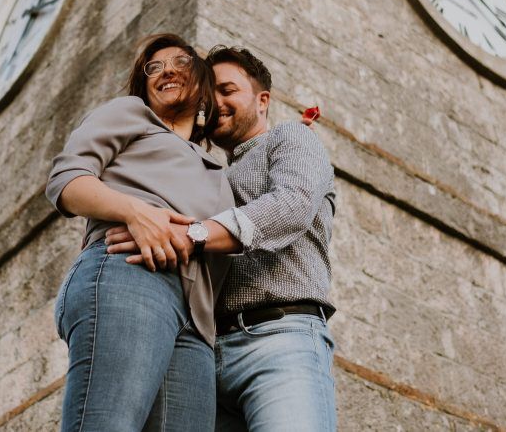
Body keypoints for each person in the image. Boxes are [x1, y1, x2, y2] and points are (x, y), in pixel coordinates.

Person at [106, 46, 337, 431]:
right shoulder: (210, 174)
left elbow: (292, 205)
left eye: (228, 90)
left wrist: (192, 234)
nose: (216, 101)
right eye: (208, 93)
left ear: (262, 100)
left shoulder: (291, 137)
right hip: (205, 354)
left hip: (280, 338)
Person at [46, 33, 235, 432]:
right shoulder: (132, 114)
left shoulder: (217, 168)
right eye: (154, 67)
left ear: (203, 86)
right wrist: (135, 212)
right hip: (129, 275)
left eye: (180, 62)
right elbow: (66, 180)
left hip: (195, 321)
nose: (165, 70)